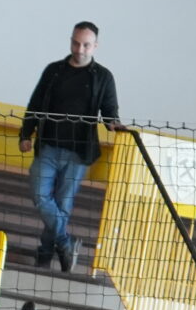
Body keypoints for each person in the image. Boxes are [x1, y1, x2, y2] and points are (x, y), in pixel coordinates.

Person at [18, 21, 120, 273]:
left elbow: (110, 113)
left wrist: (115, 125)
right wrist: (25, 133)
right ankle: (65, 243)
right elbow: (35, 104)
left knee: (62, 205)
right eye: (76, 43)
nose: (79, 49)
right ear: (71, 41)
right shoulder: (54, 71)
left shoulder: (104, 77)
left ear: (95, 46)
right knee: (40, 195)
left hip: (79, 152)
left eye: (86, 44)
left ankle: (45, 252)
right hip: (48, 146)